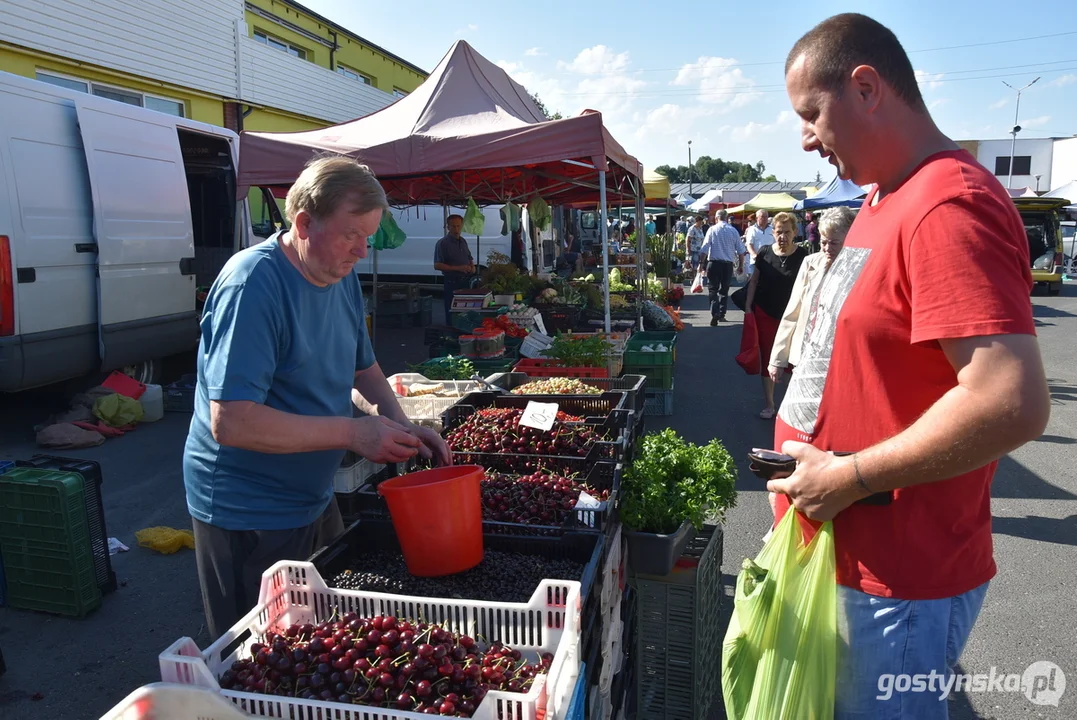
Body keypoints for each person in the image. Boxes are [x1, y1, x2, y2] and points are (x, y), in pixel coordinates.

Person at [770, 14, 1050, 719]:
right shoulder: (881, 196)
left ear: (864, 87)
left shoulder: (947, 204)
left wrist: (849, 477)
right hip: (846, 559)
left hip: (895, 582)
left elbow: (1007, 399)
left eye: (810, 113)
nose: (804, 136)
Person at [183, 156, 451, 640]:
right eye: (352, 234)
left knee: (320, 635)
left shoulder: (338, 274)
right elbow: (233, 422)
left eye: (368, 236)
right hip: (247, 509)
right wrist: (353, 431)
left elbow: (363, 368)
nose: (361, 250)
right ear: (303, 223)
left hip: (312, 493)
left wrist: (400, 423)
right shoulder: (254, 285)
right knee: (259, 654)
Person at [768, 206, 855, 381]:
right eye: (823, 242)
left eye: (834, 243)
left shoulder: (859, 266)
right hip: (807, 355)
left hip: (844, 358)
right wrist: (777, 359)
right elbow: (793, 312)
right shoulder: (810, 263)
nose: (827, 248)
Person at [743, 211, 809, 419]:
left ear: (795, 232)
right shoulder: (764, 253)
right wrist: (748, 307)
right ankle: (770, 405)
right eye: (779, 232)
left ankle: (789, 404)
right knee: (769, 357)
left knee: (792, 359)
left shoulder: (804, 256)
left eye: (787, 232)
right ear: (773, 233)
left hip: (794, 316)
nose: (783, 236)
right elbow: (754, 281)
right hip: (766, 313)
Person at [698, 209, 746, 324]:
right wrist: (740, 265)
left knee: (712, 289)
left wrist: (701, 264)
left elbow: (704, 248)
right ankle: (721, 313)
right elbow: (741, 251)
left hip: (714, 263)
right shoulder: (733, 231)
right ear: (726, 217)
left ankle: (715, 313)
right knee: (724, 290)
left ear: (716, 218)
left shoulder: (712, 229)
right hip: (727, 265)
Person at [434, 214, 475, 322]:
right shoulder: (442, 243)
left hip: (465, 282)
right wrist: (458, 268)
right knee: (452, 310)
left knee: (465, 310)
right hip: (452, 282)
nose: (456, 229)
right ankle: (451, 334)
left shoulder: (463, 241)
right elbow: (437, 265)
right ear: (448, 227)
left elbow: (469, 257)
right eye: (453, 226)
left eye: (458, 226)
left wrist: (472, 266)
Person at [744, 209, 774, 276]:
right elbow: (749, 245)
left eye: (766, 216)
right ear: (757, 218)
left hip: (770, 261)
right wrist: (754, 255)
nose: (765, 218)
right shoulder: (752, 229)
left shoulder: (772, 229)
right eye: (762, 216)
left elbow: (775, 244)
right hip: (756, 262)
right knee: (754, 283)